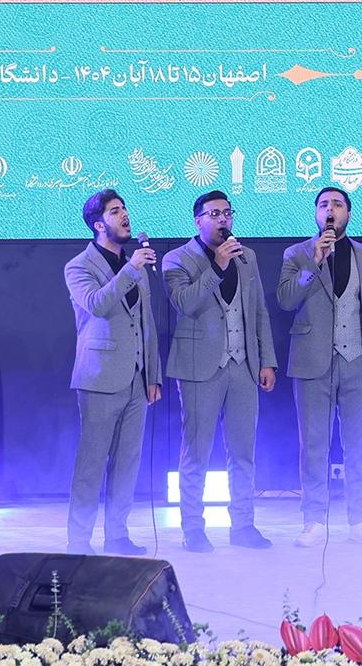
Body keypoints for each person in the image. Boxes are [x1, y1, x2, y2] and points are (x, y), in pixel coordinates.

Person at [278, 186, 362, 547]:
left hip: (360, 360)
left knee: (359, 445)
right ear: (317, 214)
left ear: (348, 213)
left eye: (337, 204)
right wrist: (314, 262)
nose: (330, 210)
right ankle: (314, 519)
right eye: (324, 205)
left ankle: (360, 519)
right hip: (312, 361)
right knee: (314, 444)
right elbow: (285, 300)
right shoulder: (297, 253)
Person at [162, 190, 277, 552]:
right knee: (196, 451)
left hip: (243, 364)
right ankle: (193, 528)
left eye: (227, 212)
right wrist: (217, 266)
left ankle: (243, 525)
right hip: (199, 367)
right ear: (197, 220)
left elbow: (258, 310)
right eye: (214, 214)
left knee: (243, 451)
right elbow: (185, 303)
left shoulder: (247, 257)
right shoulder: (176, 259)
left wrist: (266, 360)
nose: (223, 219)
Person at [62, 188, 161, 555]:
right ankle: (79, 541)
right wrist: (131, 269)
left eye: (124, 208)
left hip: (137, 377)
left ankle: (117, 534)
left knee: (127, 463)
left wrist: (153, 375)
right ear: (98, 224)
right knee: (92, 463)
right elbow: (97, 304)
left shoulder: (135, 264)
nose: (124, 215)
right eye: (115, 211)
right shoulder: (79, 266)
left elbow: (146, 323)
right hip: (99, 376)